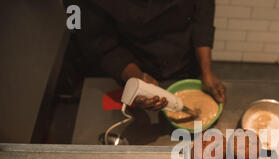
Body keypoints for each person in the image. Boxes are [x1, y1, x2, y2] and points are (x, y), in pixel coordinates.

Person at [66, 0, 226, 110]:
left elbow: (203, 13)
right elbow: (98, 43)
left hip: (185, 59)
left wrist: (206, 71)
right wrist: (135, 80)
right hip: (132, 62)